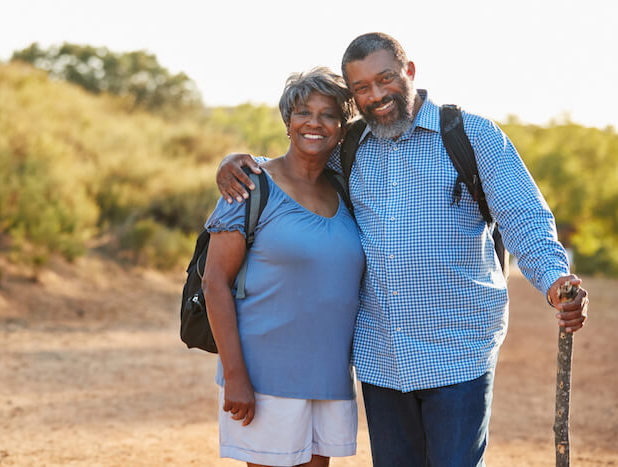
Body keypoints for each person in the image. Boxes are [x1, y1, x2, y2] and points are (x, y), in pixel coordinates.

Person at [215, 33, 589, 467]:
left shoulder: (471, 136)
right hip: (381, 358)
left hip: (457, 350)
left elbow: (524, 218)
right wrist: (239, 162)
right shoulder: (350, 149)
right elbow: (301, 161)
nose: (376, 95)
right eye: (362, 88)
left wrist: (554, 280)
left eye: (385, 79)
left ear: (409, 72)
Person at [202, 67, 365, 467]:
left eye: (328, 114)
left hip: (328, 376)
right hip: (265, 377)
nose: (314, 122)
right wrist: (237, 376)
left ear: (342, 129)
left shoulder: (347, 187)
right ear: (287, 122)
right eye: (303, 112)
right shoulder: (251, 184)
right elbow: (214, 284)